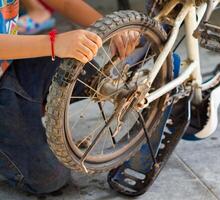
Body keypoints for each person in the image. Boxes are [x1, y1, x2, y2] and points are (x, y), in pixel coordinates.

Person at [0, 0, 138, 195]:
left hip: (9, 63)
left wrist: (109, 28)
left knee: (86, 74)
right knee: (50, 178)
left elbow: (65, 3)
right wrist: (54, 43)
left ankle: (27, 111)